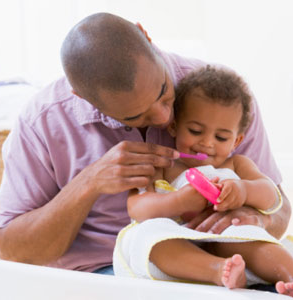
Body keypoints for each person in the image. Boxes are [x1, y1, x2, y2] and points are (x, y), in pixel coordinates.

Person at [0, 12, 290, 286]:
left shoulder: (221, 98)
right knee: (148, 238)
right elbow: (12, 252)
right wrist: (90, 182)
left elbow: (279, 209)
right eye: (134, 116)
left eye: (163, 92)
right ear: (82, 97)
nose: (166, 119)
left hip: (227, 258)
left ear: (145, 35)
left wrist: (254, 217)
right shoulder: (42, 122)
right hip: (106, 275)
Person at [113, 66, 293, 296]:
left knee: (248, 235)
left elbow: (271, 197)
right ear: (174, 126)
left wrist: (244, 190)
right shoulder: (163, 166)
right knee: (143, 235)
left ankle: (289, 275)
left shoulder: (237, 165)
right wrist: (178, 201)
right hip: (181, 245)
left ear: (236, 141)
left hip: (229, 239)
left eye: (221, 137)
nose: (207, 143)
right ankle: (219, 271)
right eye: (196, 131)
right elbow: (136, 207)